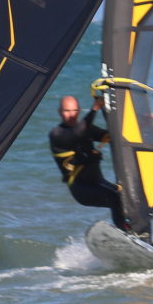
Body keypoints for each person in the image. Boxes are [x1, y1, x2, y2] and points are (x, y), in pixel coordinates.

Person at [48, 94, 132, 233]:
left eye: (74, 110)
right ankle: (124, 232)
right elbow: (77, 134)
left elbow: (113, 135)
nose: (71, 115)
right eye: (67, 111)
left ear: (79, 111)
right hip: (81, 188)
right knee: (115, 197)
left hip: (99, 182)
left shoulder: (86, 129)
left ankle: (136, 232)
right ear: (60, 112)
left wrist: (144, 122)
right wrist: (94, 109)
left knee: (128, 196)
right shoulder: (57, 134)